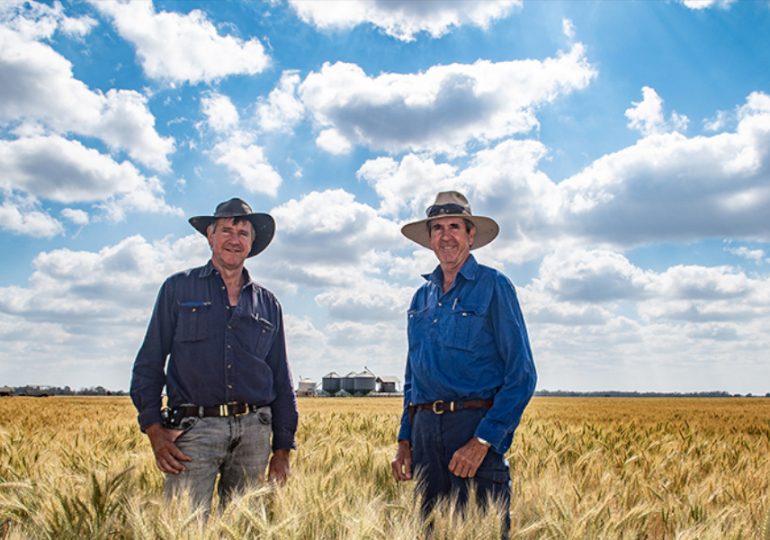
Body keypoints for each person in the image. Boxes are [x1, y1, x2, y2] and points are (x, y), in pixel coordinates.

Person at [130, 197, 298, 513]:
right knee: (184, 525)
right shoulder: (178, 288)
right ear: (210, 235)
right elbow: (149, 362)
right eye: (226, 230)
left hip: (254, 431)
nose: (234, 239)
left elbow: (281, 377)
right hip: (194, 429)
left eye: (243, 233)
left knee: (245, 527)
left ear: (252, 243)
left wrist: (283, 449)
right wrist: (154, 430)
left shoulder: (269, 304)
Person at [391, 191, 537, 534]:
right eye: (437, 228)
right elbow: (414, 377)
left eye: (454, 226)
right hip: (426, 433)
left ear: (471, 235)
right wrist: (405, 440)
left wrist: (483, 441)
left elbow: (523, 375)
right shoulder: (421, 296)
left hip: (472, 428)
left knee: (479, 531)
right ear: (429, 240)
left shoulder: (494, 286)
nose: (446, 236)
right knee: (430, 531)